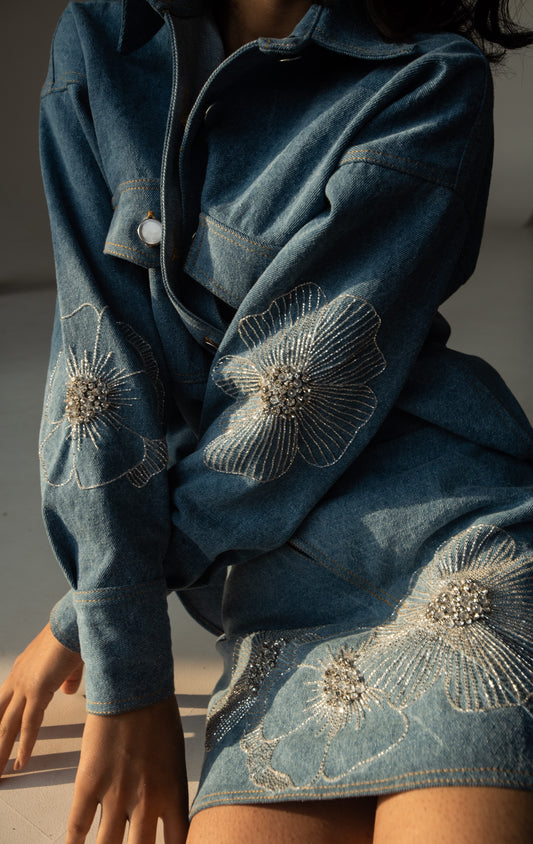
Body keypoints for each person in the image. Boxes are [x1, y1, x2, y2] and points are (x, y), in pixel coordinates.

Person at [1, 0, 533, 841]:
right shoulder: (106, 39)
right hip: (272, 596)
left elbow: (289, 409)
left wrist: (98, 620)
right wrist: (114, 638)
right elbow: (96, 365)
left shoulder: (428, 82)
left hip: (452, 554)